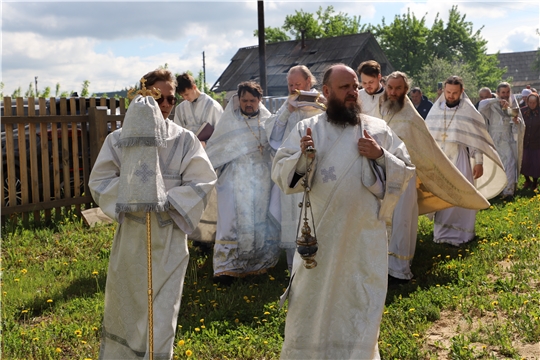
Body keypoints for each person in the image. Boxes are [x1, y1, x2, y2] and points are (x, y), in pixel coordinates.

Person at [272, 64, 415, 359]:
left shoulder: (377, 129)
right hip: (319, 240)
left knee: (360, 302)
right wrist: (302, 157)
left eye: (354, 87)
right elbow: (281, 174)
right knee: (311, 303)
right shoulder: (306, 129)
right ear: (326, 92)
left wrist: (380, 155)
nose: (353, 93)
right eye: (345, 88)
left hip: (364, 237)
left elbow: (406, 170)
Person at [89, 69, 217, 358]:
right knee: (131, 308)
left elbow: (203, 179)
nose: (166, 106)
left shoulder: (185, 140)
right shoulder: (118, 140)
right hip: (132, 239)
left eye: (171, 100)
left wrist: (166, 200)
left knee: (164, 311)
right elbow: (100, 182)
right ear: (143, 96)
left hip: (170, 236)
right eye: (159, 98)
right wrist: (134, 195)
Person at [374, 71, 488, 283]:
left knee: (403, 220)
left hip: (414, 173)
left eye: (398, 88)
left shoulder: (411, 117)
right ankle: (384, 262)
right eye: (390, 87)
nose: (393, 92)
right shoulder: (382, 110)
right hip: (385, 174)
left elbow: (425, 146)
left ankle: (400, 267)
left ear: (405, 90)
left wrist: (478, 160)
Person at [205, 81, 280, 284]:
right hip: (235, 179)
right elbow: (216, 149)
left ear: (259, 101)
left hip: (262, 180)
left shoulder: (268, 122)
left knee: (260, 220)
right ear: (238, 100)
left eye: (252, 101)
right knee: (231, 223)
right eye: (244, 100)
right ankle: (227, 268)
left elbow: (278, 147)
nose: (248, 104)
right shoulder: (229, 122)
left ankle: (259, 265)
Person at [426, 75, 505, 247]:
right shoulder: (436, 111)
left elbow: (475, 139)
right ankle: (441, 234)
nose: (451, 96)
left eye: (455, 92)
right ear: (443, 90)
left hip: (460, 159)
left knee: (461, 195)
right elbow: (428, 137)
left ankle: (463, 234)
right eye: (448, 92)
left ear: (462, 91)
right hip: (441, 159)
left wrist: (478, 162)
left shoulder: (469, 112)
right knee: (444, 196)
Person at [265, 65, 325, 272]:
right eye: (290, 84)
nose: (293, 88)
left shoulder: (322, 102)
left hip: (318, 168)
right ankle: (294, 267)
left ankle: (318, 263)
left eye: (297, 84)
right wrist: (288, 109)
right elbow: (272, 135)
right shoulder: (288, 105)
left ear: (309, 82)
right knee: (293, 217)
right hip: (293, 170)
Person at [478, 82, 525, 198]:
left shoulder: (512, 104)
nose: (505, 94)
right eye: (503, 92)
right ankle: (495, 191)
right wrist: (497, 100)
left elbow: (518, 122)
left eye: (507, 92)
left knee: (509, 163)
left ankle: (508, 191)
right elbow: (481, 106)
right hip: (493, 138)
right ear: (498, 93)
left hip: (507, 138)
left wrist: (514, 119)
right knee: (496, 165)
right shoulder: (491, 105)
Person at [173, 72, 223, 144]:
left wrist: (206, 143)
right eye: (182, 96)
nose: (185, 98)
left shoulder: (213, 106)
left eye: (186, 94)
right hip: (188, 151)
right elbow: (177, 133)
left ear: (194, 87)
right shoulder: (180, 109)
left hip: (208, 150)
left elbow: (221, 131)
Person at [520, 92, 540, 190]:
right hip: (525, 142)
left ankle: (535, 182)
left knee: (536, 163)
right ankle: (527, 180)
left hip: (536, 142)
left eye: (534, 103)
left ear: (537, 102)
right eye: (530, 102)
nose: (532, 105)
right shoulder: (522, 111)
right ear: (527, 101)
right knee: (525, 162)